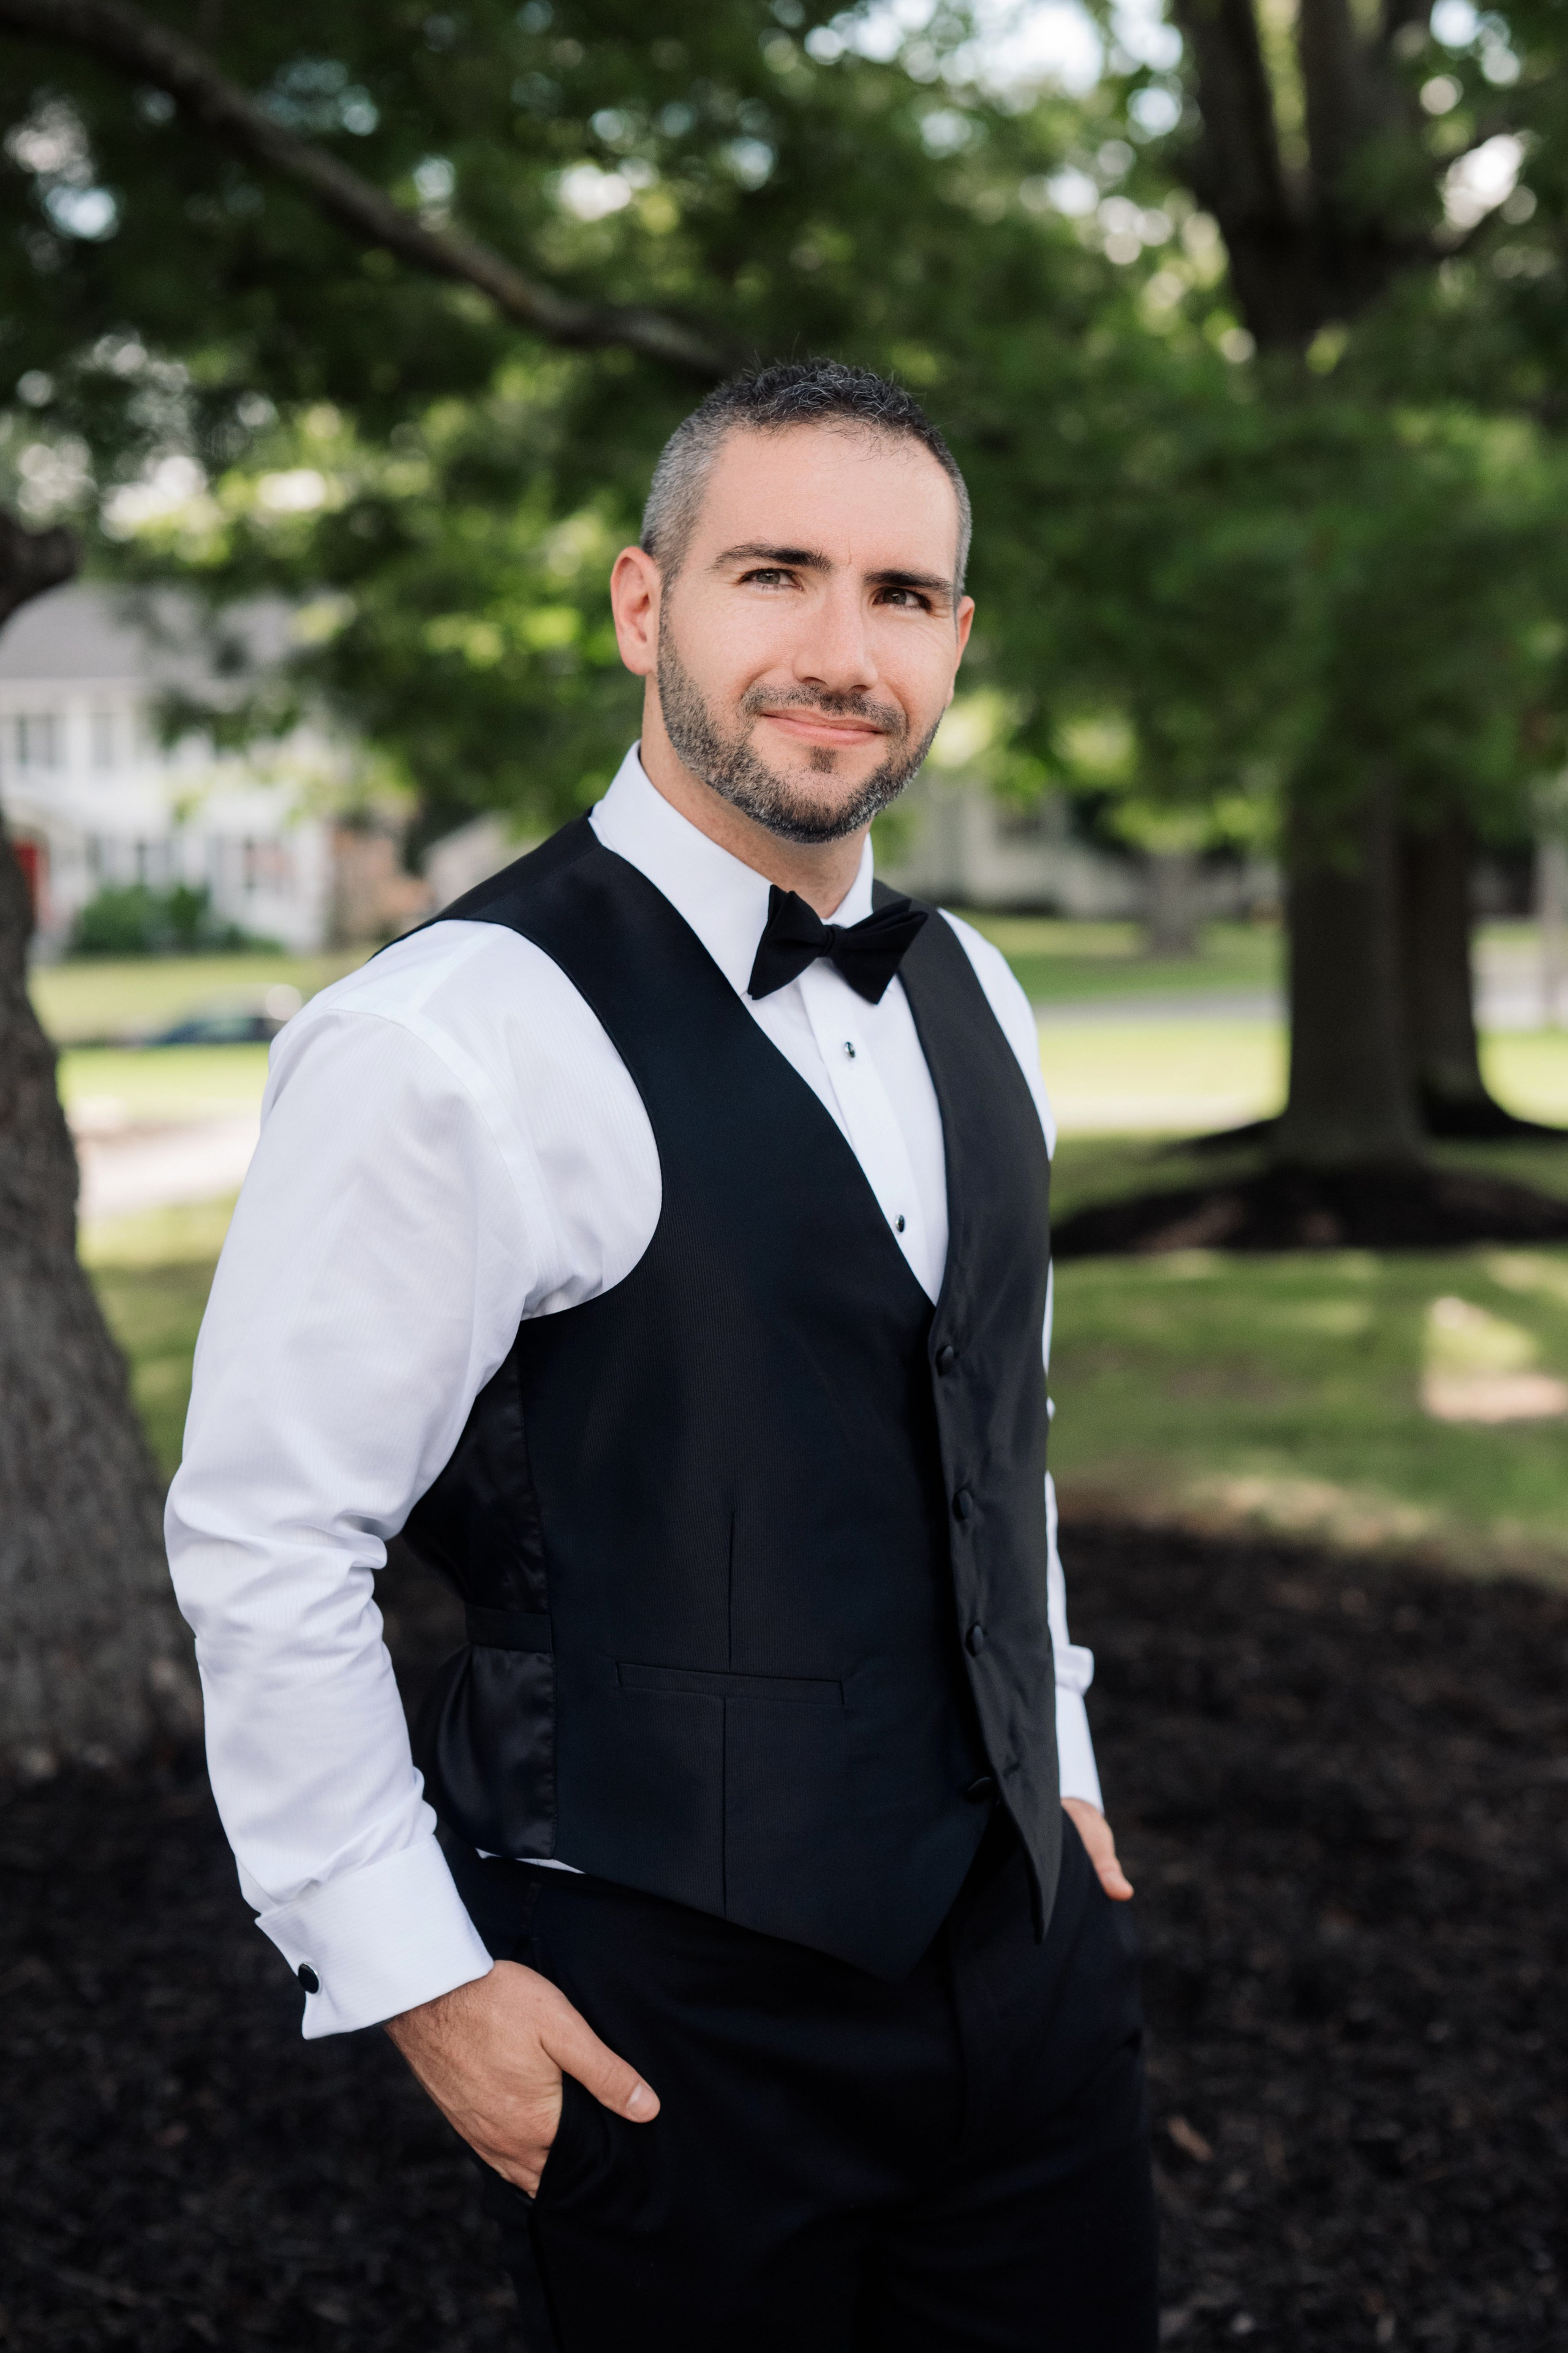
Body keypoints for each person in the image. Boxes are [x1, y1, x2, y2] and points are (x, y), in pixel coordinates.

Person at [167, 358, 1159, 2350]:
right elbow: (269, 1538)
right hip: (663, 2024)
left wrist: (1055, 1741)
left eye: (898, 595)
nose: (836, 648)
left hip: (1025, 1987)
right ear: (645, 605)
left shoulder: (980, 989)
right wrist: (421, 1982)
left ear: (955, 641)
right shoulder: (448, 1033)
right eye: (772, 572)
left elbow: (993, 1420)